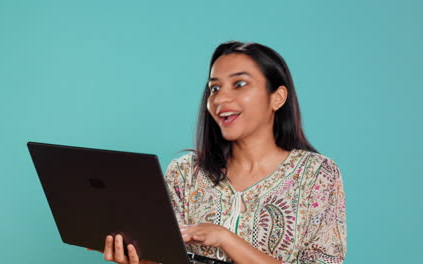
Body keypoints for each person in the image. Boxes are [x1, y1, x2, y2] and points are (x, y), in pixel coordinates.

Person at [98, 41, 347, 264]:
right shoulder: (185, 173)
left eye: (239, 84)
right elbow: (167, 257)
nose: (220, 99)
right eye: (214, 89)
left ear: (277, 98)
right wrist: (136, 259)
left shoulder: (317, 174)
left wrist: (225, 239)